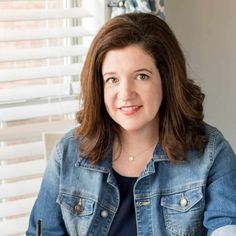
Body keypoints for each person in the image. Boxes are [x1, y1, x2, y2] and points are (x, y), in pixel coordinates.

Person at [26, 13, 236, 236]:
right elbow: (42, 232)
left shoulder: (211, 152)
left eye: (141, 76)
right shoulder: (67, 153)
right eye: (112, 79)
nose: (125, 94)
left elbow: (227, 226)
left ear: (167, 80)